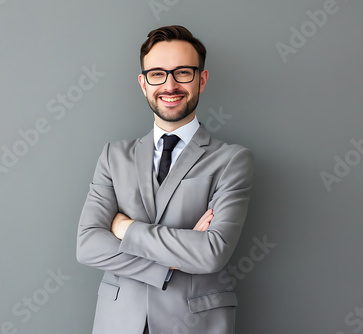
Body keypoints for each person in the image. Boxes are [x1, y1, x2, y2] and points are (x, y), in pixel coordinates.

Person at [77, 25, 254, 334]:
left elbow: (211, 252)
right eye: (157, 74)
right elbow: (88, 245)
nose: (170, 85)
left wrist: (125, 228)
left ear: (202, 79)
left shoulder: (232, 160)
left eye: (183, 73)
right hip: (117, 323)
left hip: (195, 324)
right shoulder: (113, 156)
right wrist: (172, 261)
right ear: (143, 83)